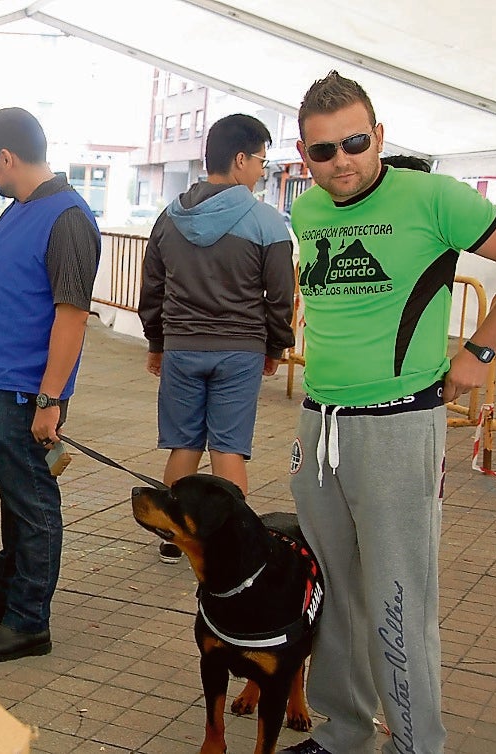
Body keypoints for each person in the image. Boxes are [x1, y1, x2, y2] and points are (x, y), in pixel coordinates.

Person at [282, 71, 496, 754]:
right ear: (304, 156)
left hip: (398, 425)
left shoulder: (429, 195)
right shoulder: (305, 213)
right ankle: (341, 730)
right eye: (322, 151)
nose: (340, 161)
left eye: (354, 143)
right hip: (319, 424)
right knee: (331, 589)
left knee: (397, 595)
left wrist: (479, 353)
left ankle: (415, 742)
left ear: (379, 137)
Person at [0, 107, 101, 662]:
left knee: (34, 504)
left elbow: (72, 315)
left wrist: (50, 399)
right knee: (13, 497)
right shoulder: (18, 210)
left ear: (6, 157)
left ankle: (29, 620)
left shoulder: (67, 217)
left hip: (26, 395)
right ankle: (6, 594)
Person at [137, 113, 294, 565]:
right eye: (261, 160)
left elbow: (152, 287)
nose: (263, 170)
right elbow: (280, 293)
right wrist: (274, 346)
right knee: (228, 448)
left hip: (183, 349)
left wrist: (157, 341)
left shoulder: (169, 217)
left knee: (183, 445)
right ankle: (231, 545)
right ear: (240, 159)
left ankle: (171, 537)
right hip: (240, 351)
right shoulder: (266, 221)